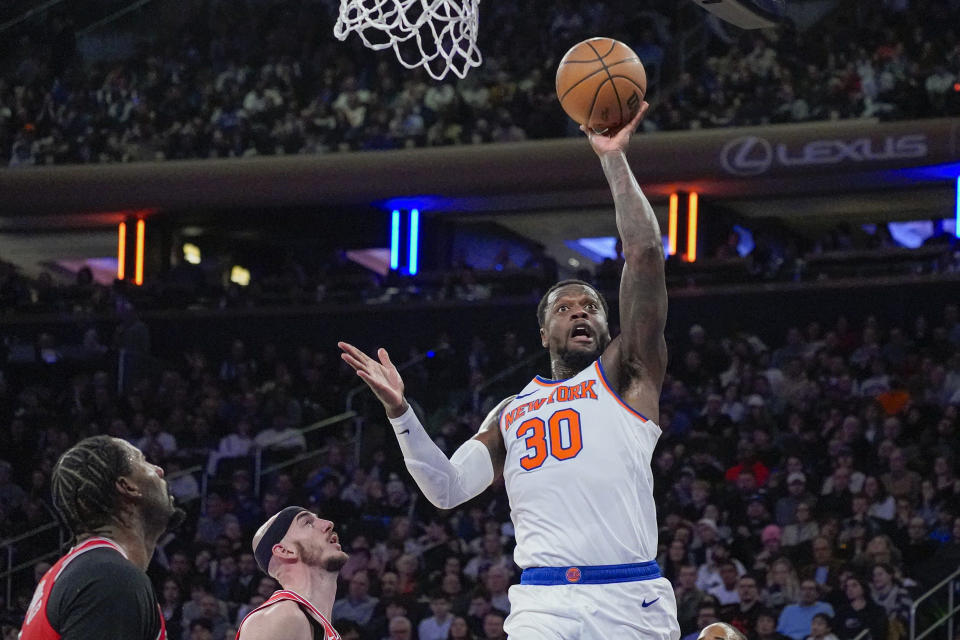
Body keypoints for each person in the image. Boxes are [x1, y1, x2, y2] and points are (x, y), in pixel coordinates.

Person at [340, 103, 680, 640]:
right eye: (564, 308)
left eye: (590, 306)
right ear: (543, 334)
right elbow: (447, 490)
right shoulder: (511, 411)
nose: (580, 313)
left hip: (628, 597)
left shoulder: (628, 372)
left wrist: (613, 160)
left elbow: (643, 253)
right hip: (543, 603)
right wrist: (401, 412)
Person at [20, 435, 185, 639]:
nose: (159, 470)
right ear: (128, 487)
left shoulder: (85, 572)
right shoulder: (109, 578)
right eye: (143, 462)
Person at [235, 507, 348, 640]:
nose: (328, 524)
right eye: (308, 523)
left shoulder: (312, 624)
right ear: (285, 551)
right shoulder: (280, 617)